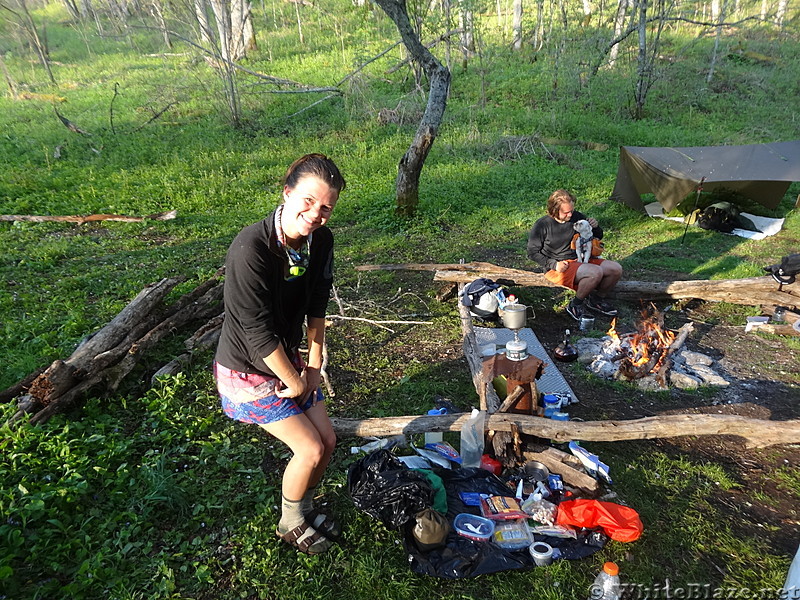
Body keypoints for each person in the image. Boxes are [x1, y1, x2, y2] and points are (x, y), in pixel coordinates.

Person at [213, 153, 345, 555]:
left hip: (289, 360)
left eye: (325, 206)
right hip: (247, 370)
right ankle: (289, 523)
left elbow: (318, 305)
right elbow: (255, 332)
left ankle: (302, 506)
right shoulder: (251, 248)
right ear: (287, 193)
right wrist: (293, 381)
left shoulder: (320, 241)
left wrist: (314, 367)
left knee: (329, 440)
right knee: (310, 448)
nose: (315, 213)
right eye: (307, 200)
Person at [527, 189, 623, 321]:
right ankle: (575, 305)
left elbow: (596, 236)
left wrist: (595, 227)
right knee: (595, 272)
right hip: (559, 265)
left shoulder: (577, 217)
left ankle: (596, 300)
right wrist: (554, 264)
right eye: (566, 212)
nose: (570, 215)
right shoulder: (542, 225)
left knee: (615, 269)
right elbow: (532, 252)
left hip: (581, 259)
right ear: (554, 210)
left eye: (571, 210)